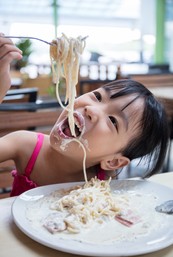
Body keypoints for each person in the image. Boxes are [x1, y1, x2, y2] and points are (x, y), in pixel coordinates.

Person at [0, 34, 170, 196]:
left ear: (113, 162)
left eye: (112, 120)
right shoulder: (24, 145)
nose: (92, 109)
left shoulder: (104, 180)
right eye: (97, 97)